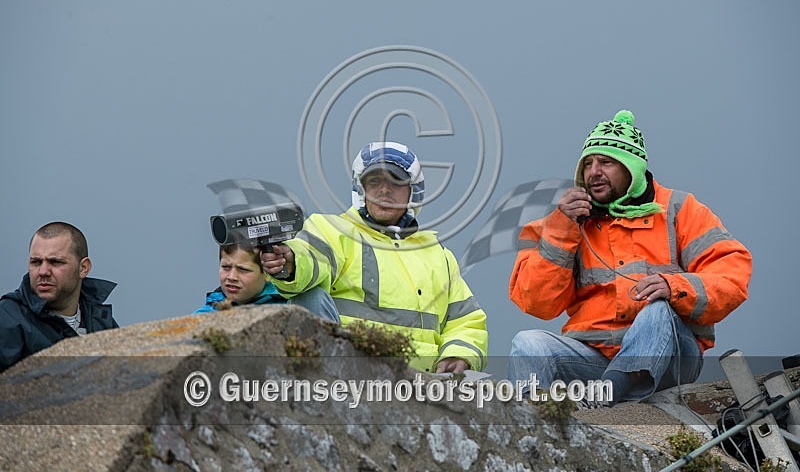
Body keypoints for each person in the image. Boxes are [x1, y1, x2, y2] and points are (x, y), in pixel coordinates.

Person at [508, 110, 752, 406]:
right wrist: (560, 229)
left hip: (670, 358)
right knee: (527, 344)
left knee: (657, 311)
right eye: (587, 163)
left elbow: (732, 276)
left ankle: (601, 404)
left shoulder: (680, 209)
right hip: (594, 360)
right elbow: (537, 304)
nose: (593, 172)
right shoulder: (563, 223)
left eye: (606, 162)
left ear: (632, 168)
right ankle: (536, 435)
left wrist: (674, 288)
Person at [260, 142, 488, 373]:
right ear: (362, 190)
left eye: (395, 181)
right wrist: (290, 263)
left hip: (421, 386)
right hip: (349, 375)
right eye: (374, 181)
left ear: (413, 191)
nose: (384, 190)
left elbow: (466, 321)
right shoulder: (332, 229)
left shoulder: (439, 255)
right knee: (310, 295)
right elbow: (309, 255)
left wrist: (459, 355)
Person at [0, 222, 119, 372]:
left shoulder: (100, 320)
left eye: (55, 262)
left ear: (83, 268)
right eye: (36, 262)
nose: (43, 271)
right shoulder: (7, 319)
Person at [194, 242, 340, 323]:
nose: (231, 277)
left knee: (314, 296)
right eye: (226, 267)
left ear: (266, 273)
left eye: (243, 270)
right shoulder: (204, 316)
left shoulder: (293, 305)